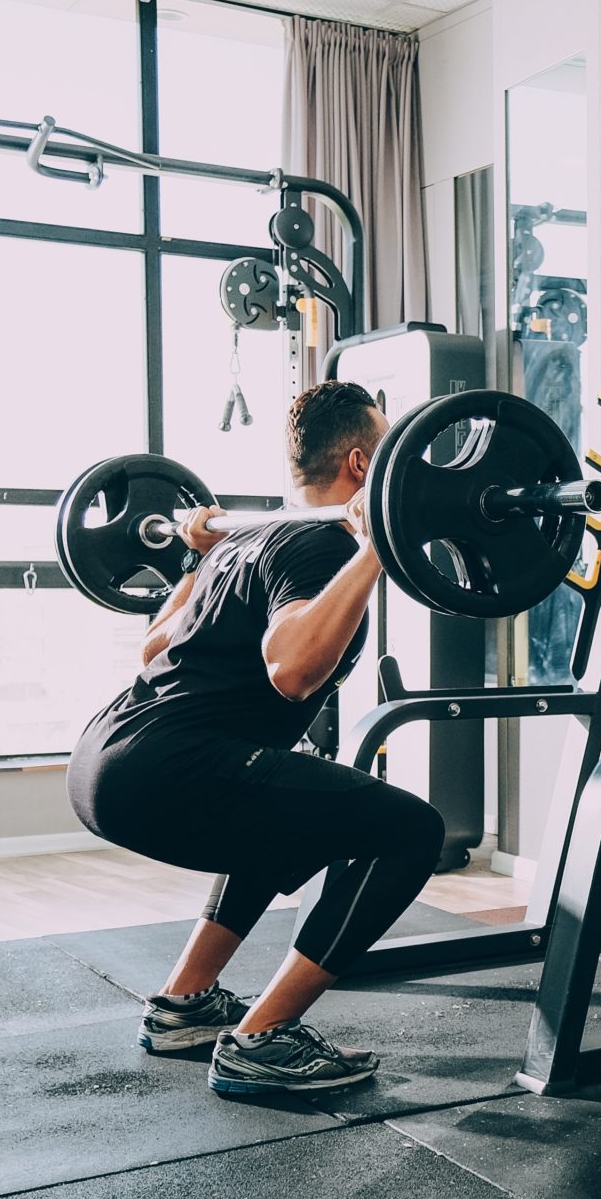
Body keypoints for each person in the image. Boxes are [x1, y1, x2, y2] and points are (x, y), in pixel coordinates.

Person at [67, 381, 444, 1097]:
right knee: (411, 831)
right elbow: (293, 671)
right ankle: (262, 1038)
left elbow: (153, 650)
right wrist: (374, 550)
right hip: (167, 766)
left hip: (106, 757)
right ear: (363, 466)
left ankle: (186, 1002)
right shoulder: (324, 543)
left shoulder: (246, 537)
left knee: (285, 799)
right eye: (391, 451)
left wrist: (193, 558)